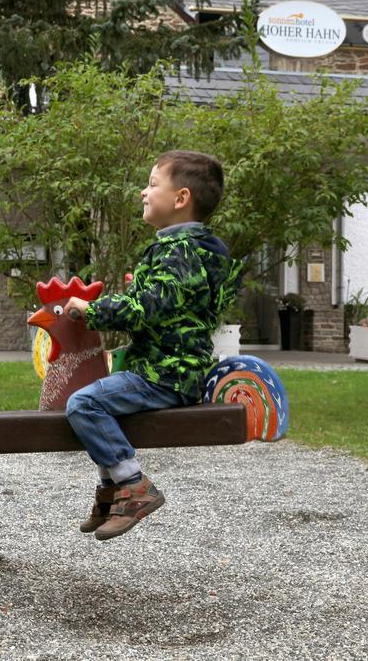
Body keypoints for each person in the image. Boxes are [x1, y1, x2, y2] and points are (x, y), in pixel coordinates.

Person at [63, 150, 242, 541]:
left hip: (165, 373)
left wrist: (92, 309)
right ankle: (111, 491)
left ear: (180, 198)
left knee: (84, 403)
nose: (143, 192)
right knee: (101, 402)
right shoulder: (191, 250)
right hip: (172, 367)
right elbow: (174, 304)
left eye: (152, 184)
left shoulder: (177, 251)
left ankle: (132, 484)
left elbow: (147, 308)